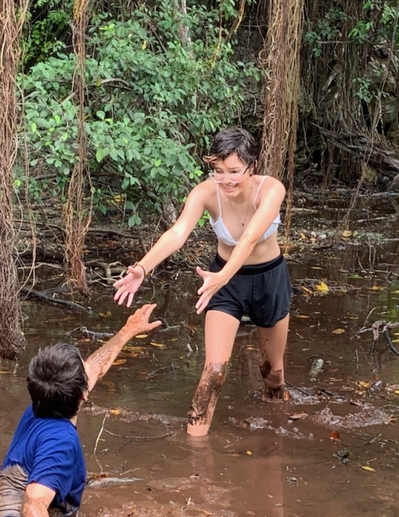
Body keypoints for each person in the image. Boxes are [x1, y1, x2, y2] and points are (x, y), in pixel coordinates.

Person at [113, 127, 291, 437]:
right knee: (214, 371)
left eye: (234, 171)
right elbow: (177, 233)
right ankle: (194, 449)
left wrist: (225, 274)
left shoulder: (272, 189)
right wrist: (143, 267)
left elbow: (249, 238)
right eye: (218, 171)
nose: (226, 180)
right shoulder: (205, 192)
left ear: (252, 165)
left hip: (269, 279)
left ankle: (275, 432)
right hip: (222, 283)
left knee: (273, 373)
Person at [0, 304, 161, 517]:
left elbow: (95, 368)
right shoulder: (62, 442)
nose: (89, 367)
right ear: (82, 396)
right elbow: (32, 504)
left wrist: (127, 331)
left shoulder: (39, 406)